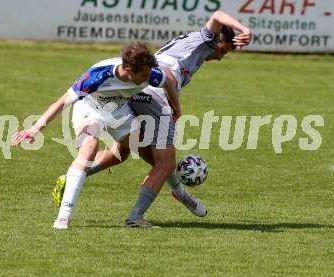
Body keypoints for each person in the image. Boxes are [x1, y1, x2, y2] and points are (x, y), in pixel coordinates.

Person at [53, 11, 252, 227]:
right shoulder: (206, 40)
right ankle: (139, 215)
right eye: (225, 49)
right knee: (165, 162)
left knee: (122, 152)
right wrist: (245, 30)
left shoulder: (192, 46)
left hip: (137, 90)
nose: (222, 56)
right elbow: (218, 15)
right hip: (155, 95)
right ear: (220, 39)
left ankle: (73, 176)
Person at [12, 42, 180, 229]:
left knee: (151, 160)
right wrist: (35, 129)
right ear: (127, 70)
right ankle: (63, 218)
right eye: (143, 76)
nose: (147, 80)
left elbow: (168, 83)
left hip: (118, 112)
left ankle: (176, 194)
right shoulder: (98, 76)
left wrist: (177, 109)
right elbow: (62, 102)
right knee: (90, 147)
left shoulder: (151, 74)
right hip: (89, 110)